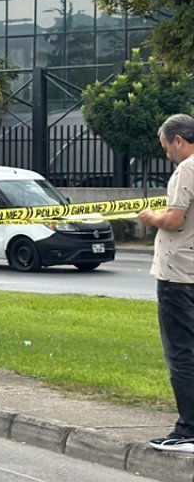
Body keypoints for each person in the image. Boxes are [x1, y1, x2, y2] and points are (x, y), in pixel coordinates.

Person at [138, 113, 194, 453]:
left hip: (178, 274)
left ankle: (188, 429)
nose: (166, 155)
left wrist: (150, 217)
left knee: (182, 353)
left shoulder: (186, 169)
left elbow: (174, 219)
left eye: (166, 147)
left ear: (178, 140)